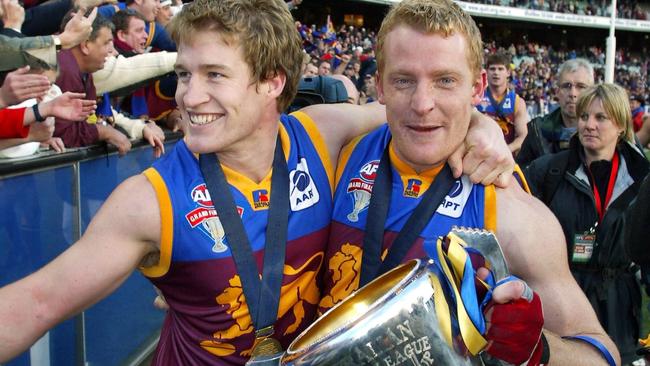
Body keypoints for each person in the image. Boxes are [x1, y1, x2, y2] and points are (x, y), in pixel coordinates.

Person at [0, 0, 515, 364]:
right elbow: (39, 302)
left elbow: (415, 111)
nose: (189, 96)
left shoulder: (322, 135)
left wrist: (480, 126)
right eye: (184, 74)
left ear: (273, 83)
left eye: (215, 76)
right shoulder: (148, 201)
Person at [320, 1, 619, 365]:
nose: (422, 103)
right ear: (380, 85)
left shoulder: (507, 209)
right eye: (403, 80)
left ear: (476, 88)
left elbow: (602, 356)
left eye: (445, 80)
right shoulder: (335, 156)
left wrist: (540, 347)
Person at [525, 83, 648, 365]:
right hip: (562, 297)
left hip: (620, 306)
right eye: (584, 117)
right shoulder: (548, 170)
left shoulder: (643, 179)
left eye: (600, 118)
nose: (589, 125)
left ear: (620, 125)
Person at [54, 14, 163, 156]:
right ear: (85, 45)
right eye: (106, 43)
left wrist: (139, 128)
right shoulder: (66, 69)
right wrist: (103, 132)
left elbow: (94, 116)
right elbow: (64, 133)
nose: (111, 52)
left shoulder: (82, 70)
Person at [517, 58, 595, 168]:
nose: (573, 93)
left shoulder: (602, 133)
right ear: (557, 92)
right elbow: (520, 176)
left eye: (581, 86)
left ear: (591, 93)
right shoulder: (537, 131)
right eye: (567, 86)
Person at [477, 52, 529, 155]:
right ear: (486, 72)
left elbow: (523, 136)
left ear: (508, 72)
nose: (496, 73)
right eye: (492, 69)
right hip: (480, 155)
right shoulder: (476, 97)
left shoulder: (517, 102)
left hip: (507, 157)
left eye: (500, 69)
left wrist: (505, 150)